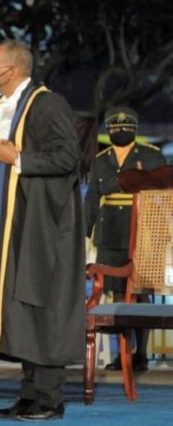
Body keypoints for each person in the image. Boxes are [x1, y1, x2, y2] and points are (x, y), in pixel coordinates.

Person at [0, 40, 85, 421]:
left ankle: (50, 400)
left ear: (13, 69)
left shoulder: (46, 103)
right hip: (12, 223)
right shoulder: (6, 105)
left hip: (44, 223)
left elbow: (69, 158)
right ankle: (29, 395)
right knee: (20, 307)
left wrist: (16, 156)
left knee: (43, 304)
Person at [84, 106, 166, 372]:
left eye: (126, 128)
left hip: (144, 232)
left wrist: (164, 235)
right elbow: (92, 200)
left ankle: (141, 354)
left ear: (134, 130)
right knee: (118, 296)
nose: (120, 132)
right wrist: (85, 235)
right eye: (115, 128)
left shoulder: (152, 156)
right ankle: (124, 354)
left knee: (141, 294)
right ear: (108, 130)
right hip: (110, 233)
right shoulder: (101, 158)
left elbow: (165, 197)